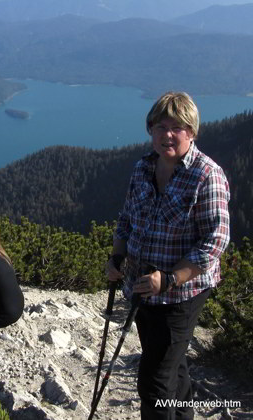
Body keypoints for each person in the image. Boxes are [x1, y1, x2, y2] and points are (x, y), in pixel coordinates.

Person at [107, 91, 230, 419]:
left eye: (178, 127)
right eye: (160, 127)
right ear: (151, 130)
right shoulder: (143, 168)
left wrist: (171, 277)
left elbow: (215, 241)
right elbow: (127, 219)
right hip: (142, 288)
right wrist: (117, 258)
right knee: (171, 367)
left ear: (193, 131)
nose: (167, 135)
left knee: (154, 381)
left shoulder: (206, 176)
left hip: (181, 295)